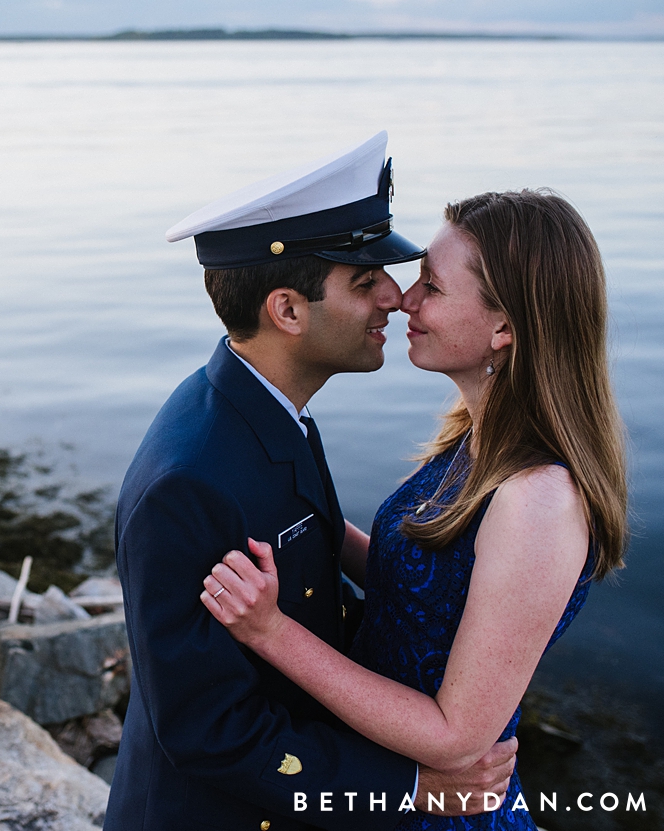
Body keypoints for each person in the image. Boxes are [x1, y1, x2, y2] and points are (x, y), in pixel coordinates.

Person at [105, 132, 518, 831]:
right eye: (363, 281)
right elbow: (211, 729)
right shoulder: (192, 481)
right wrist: (410, 784)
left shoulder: (267, 412)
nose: (394, 295)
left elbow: (316, 570)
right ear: (289, 312)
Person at [202, 189, 627, 830]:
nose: (404, 299)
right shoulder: (474, 439)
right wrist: (279, 513)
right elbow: (425, 593)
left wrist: (270, 632)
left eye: (432, 285)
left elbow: (456, 737)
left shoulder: (538, 501)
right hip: (384, 788)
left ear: (505, 328)